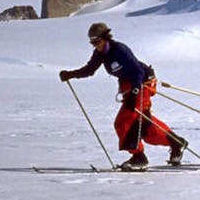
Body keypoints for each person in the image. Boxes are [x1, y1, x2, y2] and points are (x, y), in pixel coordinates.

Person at [59, 22, 187, 170]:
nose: (95, 45)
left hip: (141, 84)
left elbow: (138, 71)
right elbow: (89, 70)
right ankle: (176, 142)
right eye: (92, 43)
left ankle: (139, 157)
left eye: (97, 41)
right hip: (131, 87)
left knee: (123, 122)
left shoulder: (120, 50)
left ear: (105, 38)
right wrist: (71, 74)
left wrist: (134, 93)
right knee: (144, 125)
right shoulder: (100, 54)